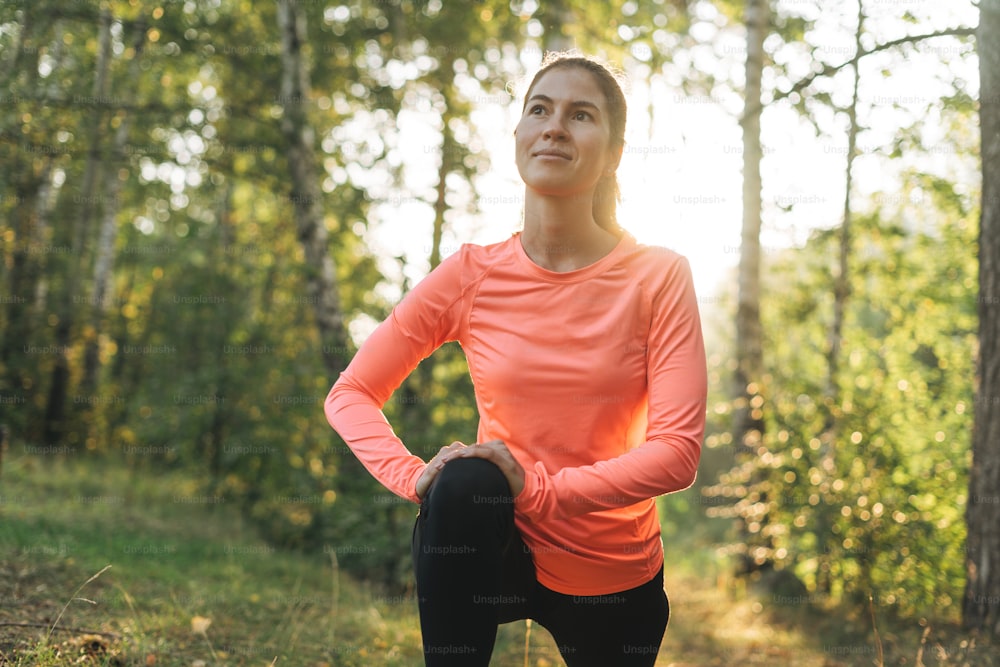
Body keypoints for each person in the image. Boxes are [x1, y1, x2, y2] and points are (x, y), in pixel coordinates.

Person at [325, 52, 707, 666]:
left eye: (580, 115)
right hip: (497, 548)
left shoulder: (657, 277)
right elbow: (349, 394)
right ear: (520, 136)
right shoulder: (472, 274)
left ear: (612, 153)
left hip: (610, 573)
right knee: (465, 483)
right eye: (540, 109)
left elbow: (676, 455)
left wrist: (536, 489)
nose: (555, 126)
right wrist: (413, 475)